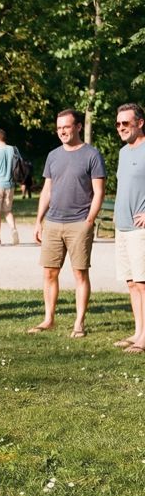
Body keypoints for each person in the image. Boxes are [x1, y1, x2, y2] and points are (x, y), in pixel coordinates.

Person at [29, 109, 106, 337]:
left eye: (66, 126)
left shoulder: (92, 155)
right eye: (59, 128)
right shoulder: (53, 155)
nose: (62, 131)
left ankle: (79, 323)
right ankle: (48, 319)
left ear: (78, 127)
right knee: (49, 273)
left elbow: (99, 191)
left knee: (80, 274)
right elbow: (47, 190)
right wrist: (38, 221)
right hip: (53, 223)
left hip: (79, 223)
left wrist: (89, 221)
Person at [112, 102, 145, 353]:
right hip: (122, 227)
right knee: (132, 282)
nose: (121, 127)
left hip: (140, 230)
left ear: (140, 123)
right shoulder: (123, 152)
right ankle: (138, 332)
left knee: (143, 284)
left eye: (126, 123)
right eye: (118, 124)